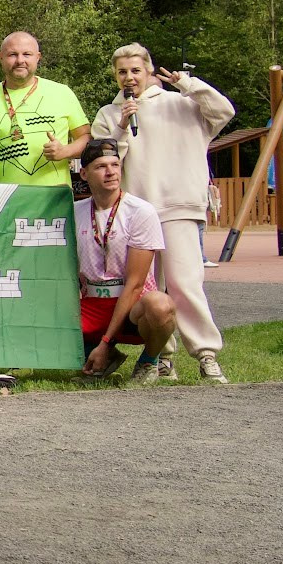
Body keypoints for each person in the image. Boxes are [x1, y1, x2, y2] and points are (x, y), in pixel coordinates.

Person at [90, 44, 234, 383]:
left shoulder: (182, 103)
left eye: (135, 70)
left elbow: (224, 111)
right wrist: (122, 126)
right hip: (137, 214)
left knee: (185, 283)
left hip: (179, 205)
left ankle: (206, 353)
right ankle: (161, 355)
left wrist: (188, 83)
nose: (129, 77)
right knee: (147, 289)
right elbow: (105, 161)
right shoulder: (109, 114)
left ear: (149, 71)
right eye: (122, 72)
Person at [74, 138, 178, 383]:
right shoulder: (75, 210)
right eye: (101, 167)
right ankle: (102, 357)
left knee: (161, 306)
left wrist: (105, 341)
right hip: (93, 301)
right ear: (84, 174)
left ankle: (149, 362)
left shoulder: (140, 211)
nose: (110, 172)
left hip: (132, 302)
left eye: (115, 165)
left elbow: (135, 284)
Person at [0, 31, 91, 188]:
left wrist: (65, 151)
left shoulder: (62, 93)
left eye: (27, 54)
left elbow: (87, 138)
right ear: (0, 57)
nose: (20, 60)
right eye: (12, 54)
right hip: (4, 198)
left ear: (38, 57)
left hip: (54, 197)